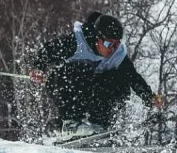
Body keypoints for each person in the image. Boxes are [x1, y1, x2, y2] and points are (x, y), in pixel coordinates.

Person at [28, 11, 162, 135]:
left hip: (93, 92)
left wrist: (149, 97)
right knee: (81, 69)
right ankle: (70, 124)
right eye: (109, 44)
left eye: (116, 45)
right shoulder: (76, 43)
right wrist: (38, 69)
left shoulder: (118, 55)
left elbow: (133, 77)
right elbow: (45, 52)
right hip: (64, 86)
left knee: (120, 79)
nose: (113, 49)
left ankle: (99, 124)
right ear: (97, 38)